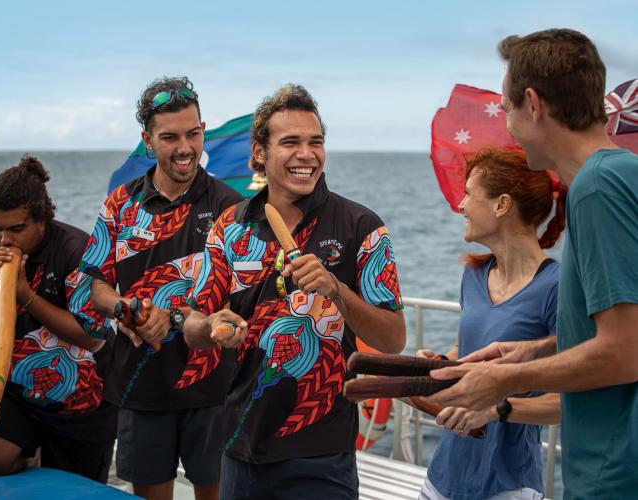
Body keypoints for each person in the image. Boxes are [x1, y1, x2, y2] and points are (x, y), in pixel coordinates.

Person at [429, 29, 638, 498]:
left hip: (615, 476)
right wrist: (533, 350)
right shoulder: (620, 174)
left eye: (506, 108)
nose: (506, 123)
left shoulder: (597, 186)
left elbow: (625, 353)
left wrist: (503, 380)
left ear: (533, 103)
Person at [183, 83, 407, 500]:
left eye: (315, 142)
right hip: (239, 444)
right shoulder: (228, 228)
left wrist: (336, 290)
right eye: (290, 142)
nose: (307, 154)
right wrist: (210, 325)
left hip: (321, 453)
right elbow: (193, 326)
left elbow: (393, 339)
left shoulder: (362, 227)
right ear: (259, 153)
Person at [67, 76, 243, 500]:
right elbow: (95, 283)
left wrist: (180, 318)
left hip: (214, 386)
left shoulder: (233, 207)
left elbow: (243, 298)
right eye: (169, 137)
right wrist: (123, 308)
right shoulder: (120, 204)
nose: (185, 148)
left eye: (193, 134)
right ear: (148, 140)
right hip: (139, 385)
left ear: (203, 131)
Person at [0, 155, 116, 482]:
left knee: (73, 486)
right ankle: (29, 455)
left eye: (16, 229)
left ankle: (44, 454)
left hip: (82, 400)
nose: (5, 240)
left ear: (42, 220)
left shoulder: (78, 251)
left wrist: (27, 296)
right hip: (12, 388)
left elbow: (92, 336)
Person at [417, 148, 564, 500]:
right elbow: (466, 352)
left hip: (507, 484)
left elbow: (568, 400)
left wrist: (496, 411)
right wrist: (436, 364)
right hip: (442, 477)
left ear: (502, 205)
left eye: (469, 193)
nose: (461, 205)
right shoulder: (474, 275)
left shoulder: (558, 287)